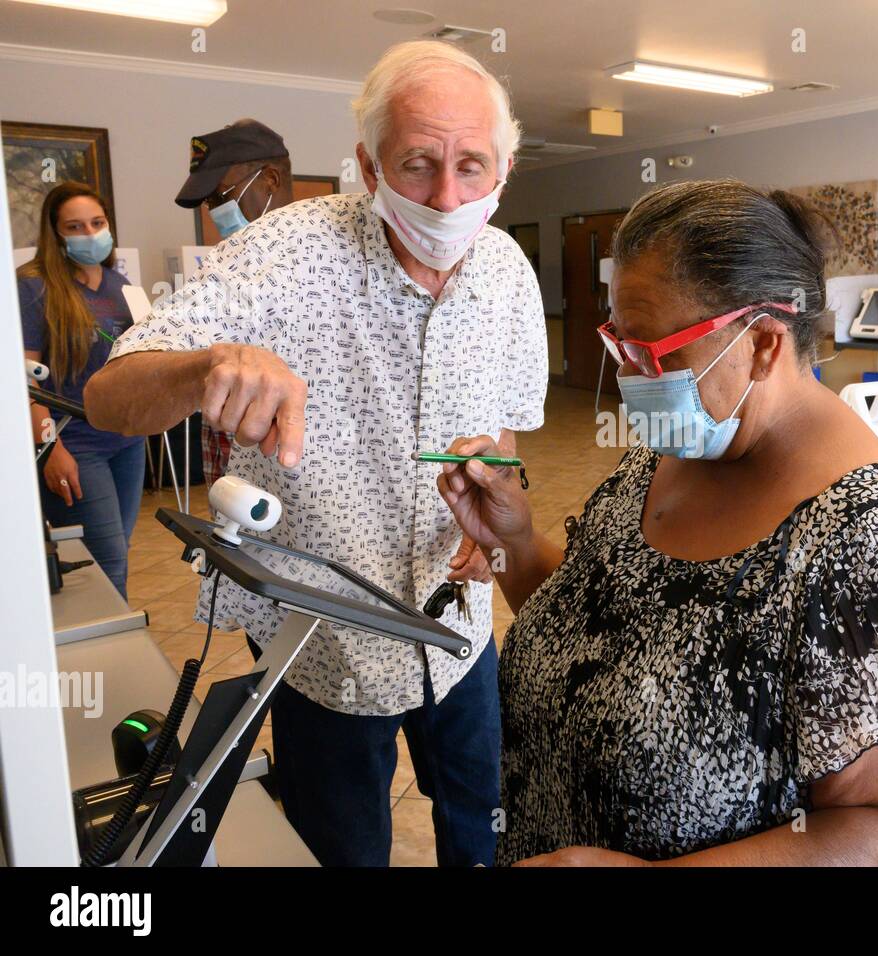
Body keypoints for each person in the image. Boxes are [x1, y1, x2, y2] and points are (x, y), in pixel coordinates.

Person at [85, 40, 548, 866]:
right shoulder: (287, 253)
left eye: (473, 166)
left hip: (459, 633)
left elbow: (507, 432)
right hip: (321, 640)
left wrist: (491, 521)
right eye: (417, 164)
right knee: (343, 849)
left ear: (504, 170)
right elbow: (109, 399)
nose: (447, 196)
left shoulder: (509, 273)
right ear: (369, 166)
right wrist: (206, 367)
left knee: (482, 825)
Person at [438, 179, 878, 866]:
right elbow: (596, 633)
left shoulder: (864, 536)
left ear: (762, 343)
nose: (633, 376)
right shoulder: (679, 445)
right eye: (621, 345)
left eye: (656, 353)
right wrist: (514, 543)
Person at [21, 182, 146, 599]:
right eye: (75, 226)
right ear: (55, 233)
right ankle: (112, 656)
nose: (90, 234)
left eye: (97, 223)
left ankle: (115, 648)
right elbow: (25, 376)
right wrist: (49, 446)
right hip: (73, 444)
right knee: (104, 560)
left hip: (126, 441)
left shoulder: (120, 284)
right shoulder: (34, 287)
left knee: (117, 553)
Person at [174, 118, 295, 486]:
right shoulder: (224, 262)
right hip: (230, 443)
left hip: (296, 448)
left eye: (220, 196)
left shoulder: (322, 257)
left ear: (270, 179)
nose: (213, 211)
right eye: (208, 202)